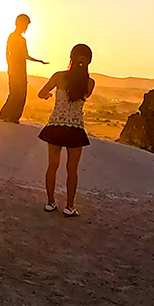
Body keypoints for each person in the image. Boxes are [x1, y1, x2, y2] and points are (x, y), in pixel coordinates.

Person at [37, 43, 95, 217]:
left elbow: (41, 93)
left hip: (56, 125)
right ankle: (70, 206)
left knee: (52, 166)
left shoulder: (58, 77)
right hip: (75, 128)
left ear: (71, 57)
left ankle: (50, 202)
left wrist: (48, 96)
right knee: (72, 169)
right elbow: (84, 95)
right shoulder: (90, 82)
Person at [0, 14, 46, 124]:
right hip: (15, 69)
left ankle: (14, 117)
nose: (26, 27)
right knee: (15, 93)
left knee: (22, 94)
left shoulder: (22, 39)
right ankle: (5, 115)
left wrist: (39, 61)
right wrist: (10, 67)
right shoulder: (12, 36)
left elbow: (25, 55)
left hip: (21, 69)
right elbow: (8, 53)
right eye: (25, 24)